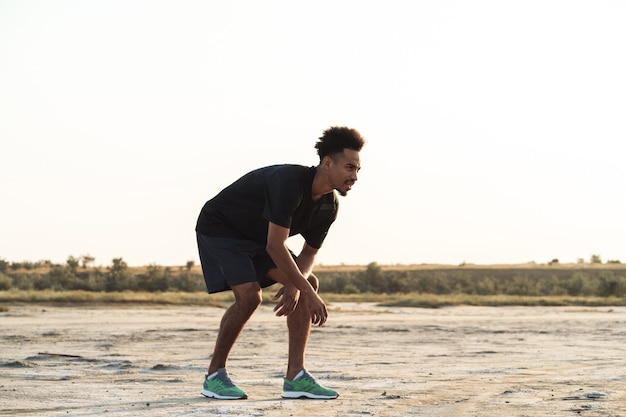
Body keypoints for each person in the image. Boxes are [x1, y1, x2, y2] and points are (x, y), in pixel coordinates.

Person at [195, 126, 365, 400]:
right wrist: (305, 291)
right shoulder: (289, 183)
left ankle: (295, 378)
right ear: (327, 163)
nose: (355, 176)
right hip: (221, 228)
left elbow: (308, 254)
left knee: (307, 280)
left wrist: (300, 287)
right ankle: (215, 376)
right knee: (250, 296)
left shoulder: (328, 206)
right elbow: (275, 246)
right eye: (349, 167)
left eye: (358, 169)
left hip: (258, 237)